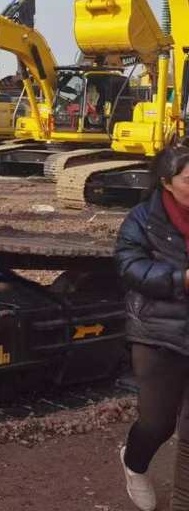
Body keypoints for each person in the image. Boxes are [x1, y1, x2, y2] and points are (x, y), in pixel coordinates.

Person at [115, 137, 189, 511]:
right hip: (158, 331)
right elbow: (130, 266)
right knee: (158, 423)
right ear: (166, 182)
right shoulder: (142, 219)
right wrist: (181, 280)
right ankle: (135, 463)